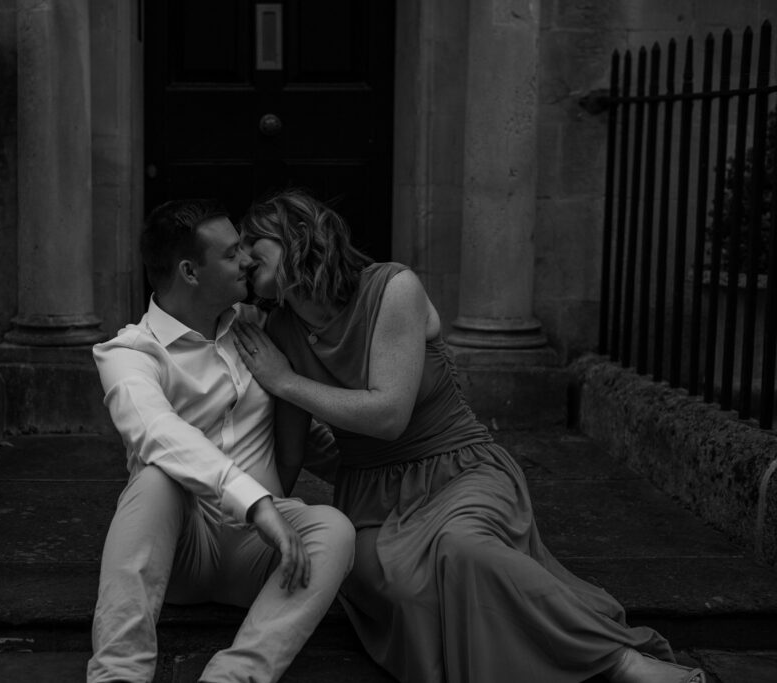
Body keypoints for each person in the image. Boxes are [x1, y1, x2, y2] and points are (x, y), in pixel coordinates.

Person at [232, 189, 707, 683]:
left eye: (252, 240)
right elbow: (287, 454)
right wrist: (263, 529)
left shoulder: (393, 288)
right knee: (400, 588)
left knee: (464, 550)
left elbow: (388, 414)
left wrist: (284, 380)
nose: (242, 256)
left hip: (456, 470)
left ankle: (618, 662)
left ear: (298, 236)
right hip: (370, 497)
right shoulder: (281, 331)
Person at [87, 198, 356, 683]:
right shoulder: (129, 353)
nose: (248, 261)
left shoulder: (256, 328)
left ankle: (234, 676)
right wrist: (257, 504)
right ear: (190, 271)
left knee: (335, 528)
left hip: (260, 552)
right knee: (155, 479)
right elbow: (157, 431)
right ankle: (119, 674)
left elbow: (301, 430)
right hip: (187, 546)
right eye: (232, 254)